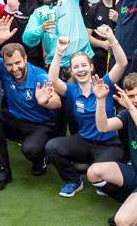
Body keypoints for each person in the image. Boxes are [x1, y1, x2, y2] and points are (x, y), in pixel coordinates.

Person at [43, 27, 128, 197]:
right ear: (72, 71)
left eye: (84, 65)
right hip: (83, 141)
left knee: (104, 183)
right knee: (52, 147)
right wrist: (59, 52)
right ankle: (74, 180)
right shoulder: (72, 90)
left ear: (91, 67)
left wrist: (112, 39)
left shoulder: (104, 83)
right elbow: (52, 79)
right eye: (76, 67)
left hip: (108, 144)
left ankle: (98, 169)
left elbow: (122, 63)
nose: (80, 70)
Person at [0, 16, 60, 177]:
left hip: (39, 125)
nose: (14, 68)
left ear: (25, 59)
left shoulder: (39, 76)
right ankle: (4, 170)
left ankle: (40, 160)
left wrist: (46, 101)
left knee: (30, 150)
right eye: (9, 65)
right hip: (16, 121)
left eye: (18, 63)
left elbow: (57, 102)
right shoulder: (3, 68)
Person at [87, 74, 137, 226]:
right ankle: (132, 203)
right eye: (131, 96)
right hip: (136, 172)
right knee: (93, 172)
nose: (135, 100)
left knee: (122, 222)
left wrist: (130, 107)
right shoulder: (128, 113)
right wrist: (101, 100)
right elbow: (103, 127)